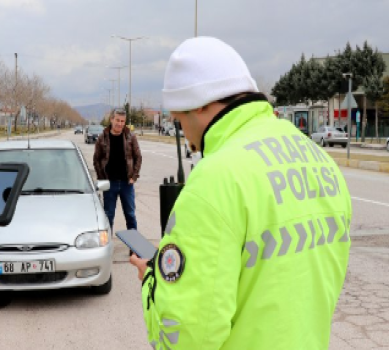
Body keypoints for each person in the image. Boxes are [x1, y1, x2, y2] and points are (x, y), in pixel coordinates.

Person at [130, 37, 352, 349]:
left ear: (201, 103)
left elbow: (188, 335)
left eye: (180, 121)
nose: (188, 138)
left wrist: (151, 285)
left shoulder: (215, 179)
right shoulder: (317, 159)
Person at [94, 109, 142, 235]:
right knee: (108, 216)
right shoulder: (102, 138)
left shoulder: (130, 137)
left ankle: (135, 249)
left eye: (122, 121)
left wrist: (134, 176)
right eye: (117, 120)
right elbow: (97, 159)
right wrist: (102, 178)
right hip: (110, 184)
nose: (120, 124)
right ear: (111, 119)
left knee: (130, 216)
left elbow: (138, 157)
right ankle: (107, 246)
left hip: (127, 184)